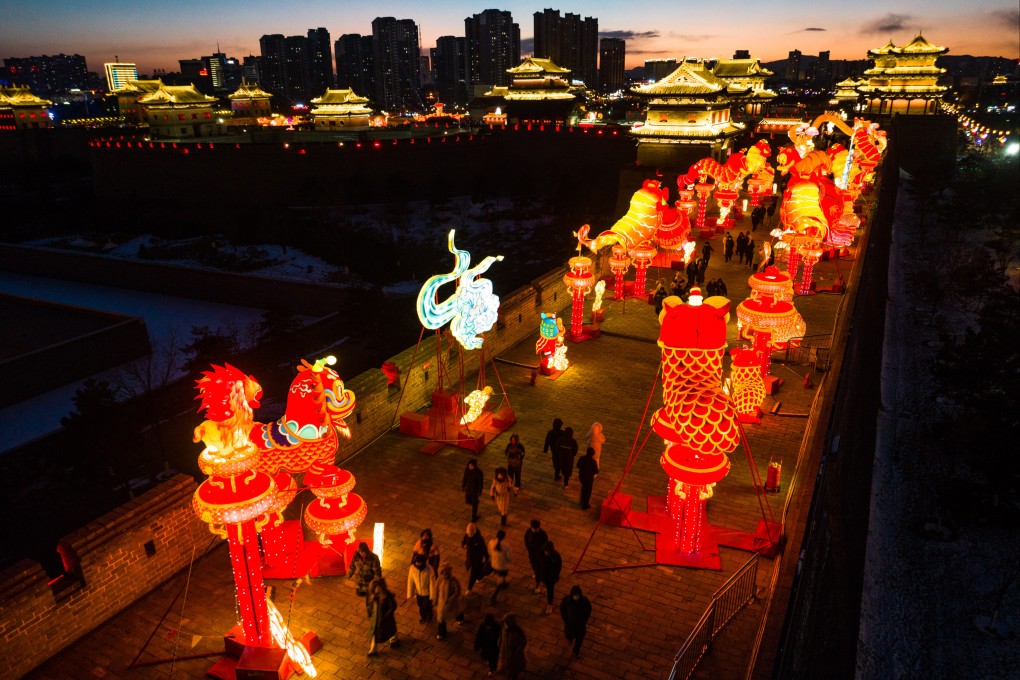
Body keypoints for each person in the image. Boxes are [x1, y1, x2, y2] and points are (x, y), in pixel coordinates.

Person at [346, 542, 382, 614]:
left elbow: (377, 573)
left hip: (369, 583)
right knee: (361, 594)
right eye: (361, 552)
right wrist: (349, 576)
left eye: (364, 552)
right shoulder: (356, 555)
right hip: (360, 582)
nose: (362, 554)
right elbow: (352, 566)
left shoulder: (373, 558)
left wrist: (376, 585)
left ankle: (371, 611)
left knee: (370, 598)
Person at [367, 578, 398, 658]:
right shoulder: (373, 597)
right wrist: (370, 613)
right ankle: (373, 649)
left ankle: (393, 639)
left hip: (386, 619)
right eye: (375, 587)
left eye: (378, 587)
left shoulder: (387, 596)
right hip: (376, 619)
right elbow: (370, 606)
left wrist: (387, 615)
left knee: (391, 629)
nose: (377, 589)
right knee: (374, 633)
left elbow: (393, 606)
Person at [433, 563, 465, 640]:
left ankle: (460, 618)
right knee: (441, 618)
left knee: (456, 611)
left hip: (452, 603)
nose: (445, 575)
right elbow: (436, 590)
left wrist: (451, 599)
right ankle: (441, 632)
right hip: (442, 602)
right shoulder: (440, 580)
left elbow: (457, 591)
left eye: (446, 573)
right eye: (443, 573)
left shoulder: (453, 580)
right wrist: (435, 600)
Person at [561, 585, 593, 659]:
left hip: (580, 625)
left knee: (580, 639)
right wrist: (565, 620)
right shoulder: (566, 600)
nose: (576, 597)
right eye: (575, 595)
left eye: (578, 595)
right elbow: (562, 609)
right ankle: (570, 639)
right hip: (570, 624)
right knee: (568, 635)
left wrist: (584, 620)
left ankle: (576, 651)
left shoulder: (584, 601)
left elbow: (589, 609)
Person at [407, 554, 435, 623]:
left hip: (427, 593)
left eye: (420, 565)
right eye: (417, 565)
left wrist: (432, 595)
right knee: (420, 604)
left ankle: (425, 615)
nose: (418, 567)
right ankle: (425, 614)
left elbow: (432, 583)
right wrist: (410, 594)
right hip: (418, 592)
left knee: (426, 605)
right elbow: (410, 581)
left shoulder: (429, 569)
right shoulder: (412, 569)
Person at [461, 522, 490, 593]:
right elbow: (463, 542)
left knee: (473, 574)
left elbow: (484, 548)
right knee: (478, 569)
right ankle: (480, 576)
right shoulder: (467, 535)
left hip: (477, 559)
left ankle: (469, 588)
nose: (469, 536)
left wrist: (487, 557)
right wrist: (463, 545)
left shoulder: (479, 539)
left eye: (470, 535)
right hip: (469, 557)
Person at [498, 614, 527, 680]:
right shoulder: (504, 628)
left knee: (514, 671)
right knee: (507, 668)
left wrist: (517, 651)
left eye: (506, 623)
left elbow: (523, 642)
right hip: (506, 653)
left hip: (514, 656)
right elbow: (502, 637)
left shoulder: (518, 632)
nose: (505, 624)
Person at [537, 540, 562, 615]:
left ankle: (549, 604)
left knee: (550, 590)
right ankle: (544, 588)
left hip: (551, 577)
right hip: (543, 575)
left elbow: (559, 566)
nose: (546, 553)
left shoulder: (556, 556)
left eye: (548, 552)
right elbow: (537, 563)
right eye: (546, 551)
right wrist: (537, 572)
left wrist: (555, 576)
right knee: (544, 584)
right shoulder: (540, 553)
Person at [487, 529, 512, 604]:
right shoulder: (506, 545)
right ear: (504, 537)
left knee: (501, 577)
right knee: (500, 580)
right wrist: (508, 561)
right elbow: (509, 558)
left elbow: (489, 552)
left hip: (494, 564)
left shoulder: (491, 542)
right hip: (502, 566)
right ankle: (494, 596)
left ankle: (504, 584)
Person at [523, 519, 548, 593]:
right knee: (532, 562)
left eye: (536, 528)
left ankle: (540, 578)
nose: (534, 530)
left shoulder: (543, 534)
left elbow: (545, 544)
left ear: (538, 527)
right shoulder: (528, 532)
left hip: (540, 554)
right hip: (531, 552)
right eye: (533, 528)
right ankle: (534, 571)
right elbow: (526, 540)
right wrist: (528, 548)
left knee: (540, 566)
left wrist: (541, 551)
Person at [462, 458, 484, 522]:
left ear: (474, 466)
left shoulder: (479, 472)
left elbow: (480, 483)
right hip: (468, 489)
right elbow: (464, 478)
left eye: (472, 466)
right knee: (468, 501)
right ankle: (476, 502)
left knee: (474, 504)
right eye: (469, 465)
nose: (470, 467)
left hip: (475, 491)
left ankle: (474, 517)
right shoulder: (467, 470)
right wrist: (463, 485)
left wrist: (479, 491)